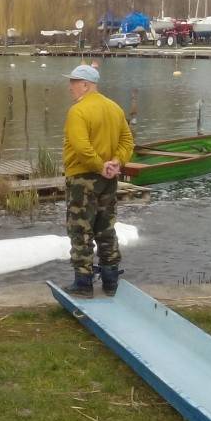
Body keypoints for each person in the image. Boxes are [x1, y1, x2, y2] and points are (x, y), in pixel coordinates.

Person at [61, 64, 134, 298]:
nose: (70, 87)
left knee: (80, 229)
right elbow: (127, 141)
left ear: (86, 85)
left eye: (73, 82)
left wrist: (99, 165)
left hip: (83, 179)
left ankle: (83, 282)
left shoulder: (78, 111)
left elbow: (81, 147)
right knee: (106, 227)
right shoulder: (114, 108)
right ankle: (111, 280)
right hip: (109, 179)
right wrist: (116, 162)